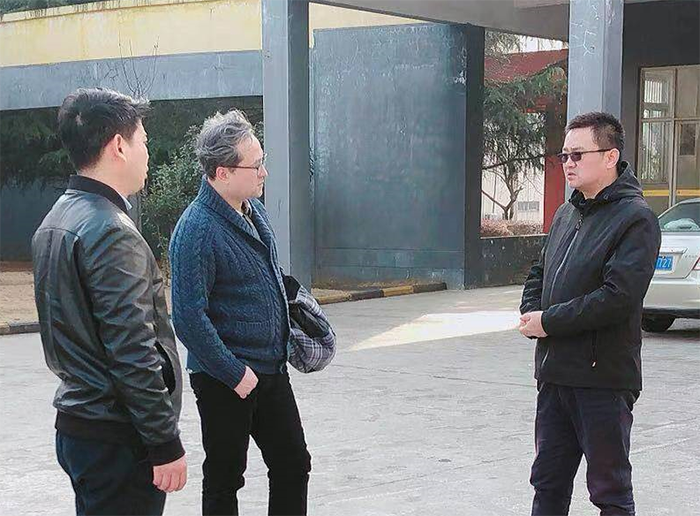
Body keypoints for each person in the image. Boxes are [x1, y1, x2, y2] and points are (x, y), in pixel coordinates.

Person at [32, 88, 187, 516]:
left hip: (82, 427)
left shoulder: (57, 218)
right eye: (143, 141)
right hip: (117, 437)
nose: (147, 154)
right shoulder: (110, 230)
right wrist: (163, 441)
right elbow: (133, 350)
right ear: (119, 145)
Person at [170, 110, 311, 516]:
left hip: (271, 369)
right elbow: (188, 319)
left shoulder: (253, 210)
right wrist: (235, 373)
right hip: (224, 378)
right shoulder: (196, 230)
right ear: (222, 173)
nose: (264, 172)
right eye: (256, 165)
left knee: (293, 464)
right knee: (225, 479)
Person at [519, 111, 661, 516]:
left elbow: (617, 298)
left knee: (609, 491)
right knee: (547, 484)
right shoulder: (566, 214)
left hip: (602, 381)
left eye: (578, 155)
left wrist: (549, 322)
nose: (568, 163)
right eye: (564, 155)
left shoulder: (636, 220)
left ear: (610, 156)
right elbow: (539, 271)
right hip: (554, 375)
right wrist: (531, 311)